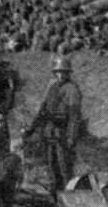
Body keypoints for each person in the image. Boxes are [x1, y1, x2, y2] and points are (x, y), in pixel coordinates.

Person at [23, 55, 83, 199]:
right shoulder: (52, 86)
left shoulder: (72, 89)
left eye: (64, 72)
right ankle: (54, 197)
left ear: (68, 73)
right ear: (55, 73)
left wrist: (71, 137)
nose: (60, 75)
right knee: (51, 166)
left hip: (63, 132)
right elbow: (42, 109)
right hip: (50, 132)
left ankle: (69, 198)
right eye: (58, 72)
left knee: (64, 168)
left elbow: (74, 116)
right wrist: (31, 129)